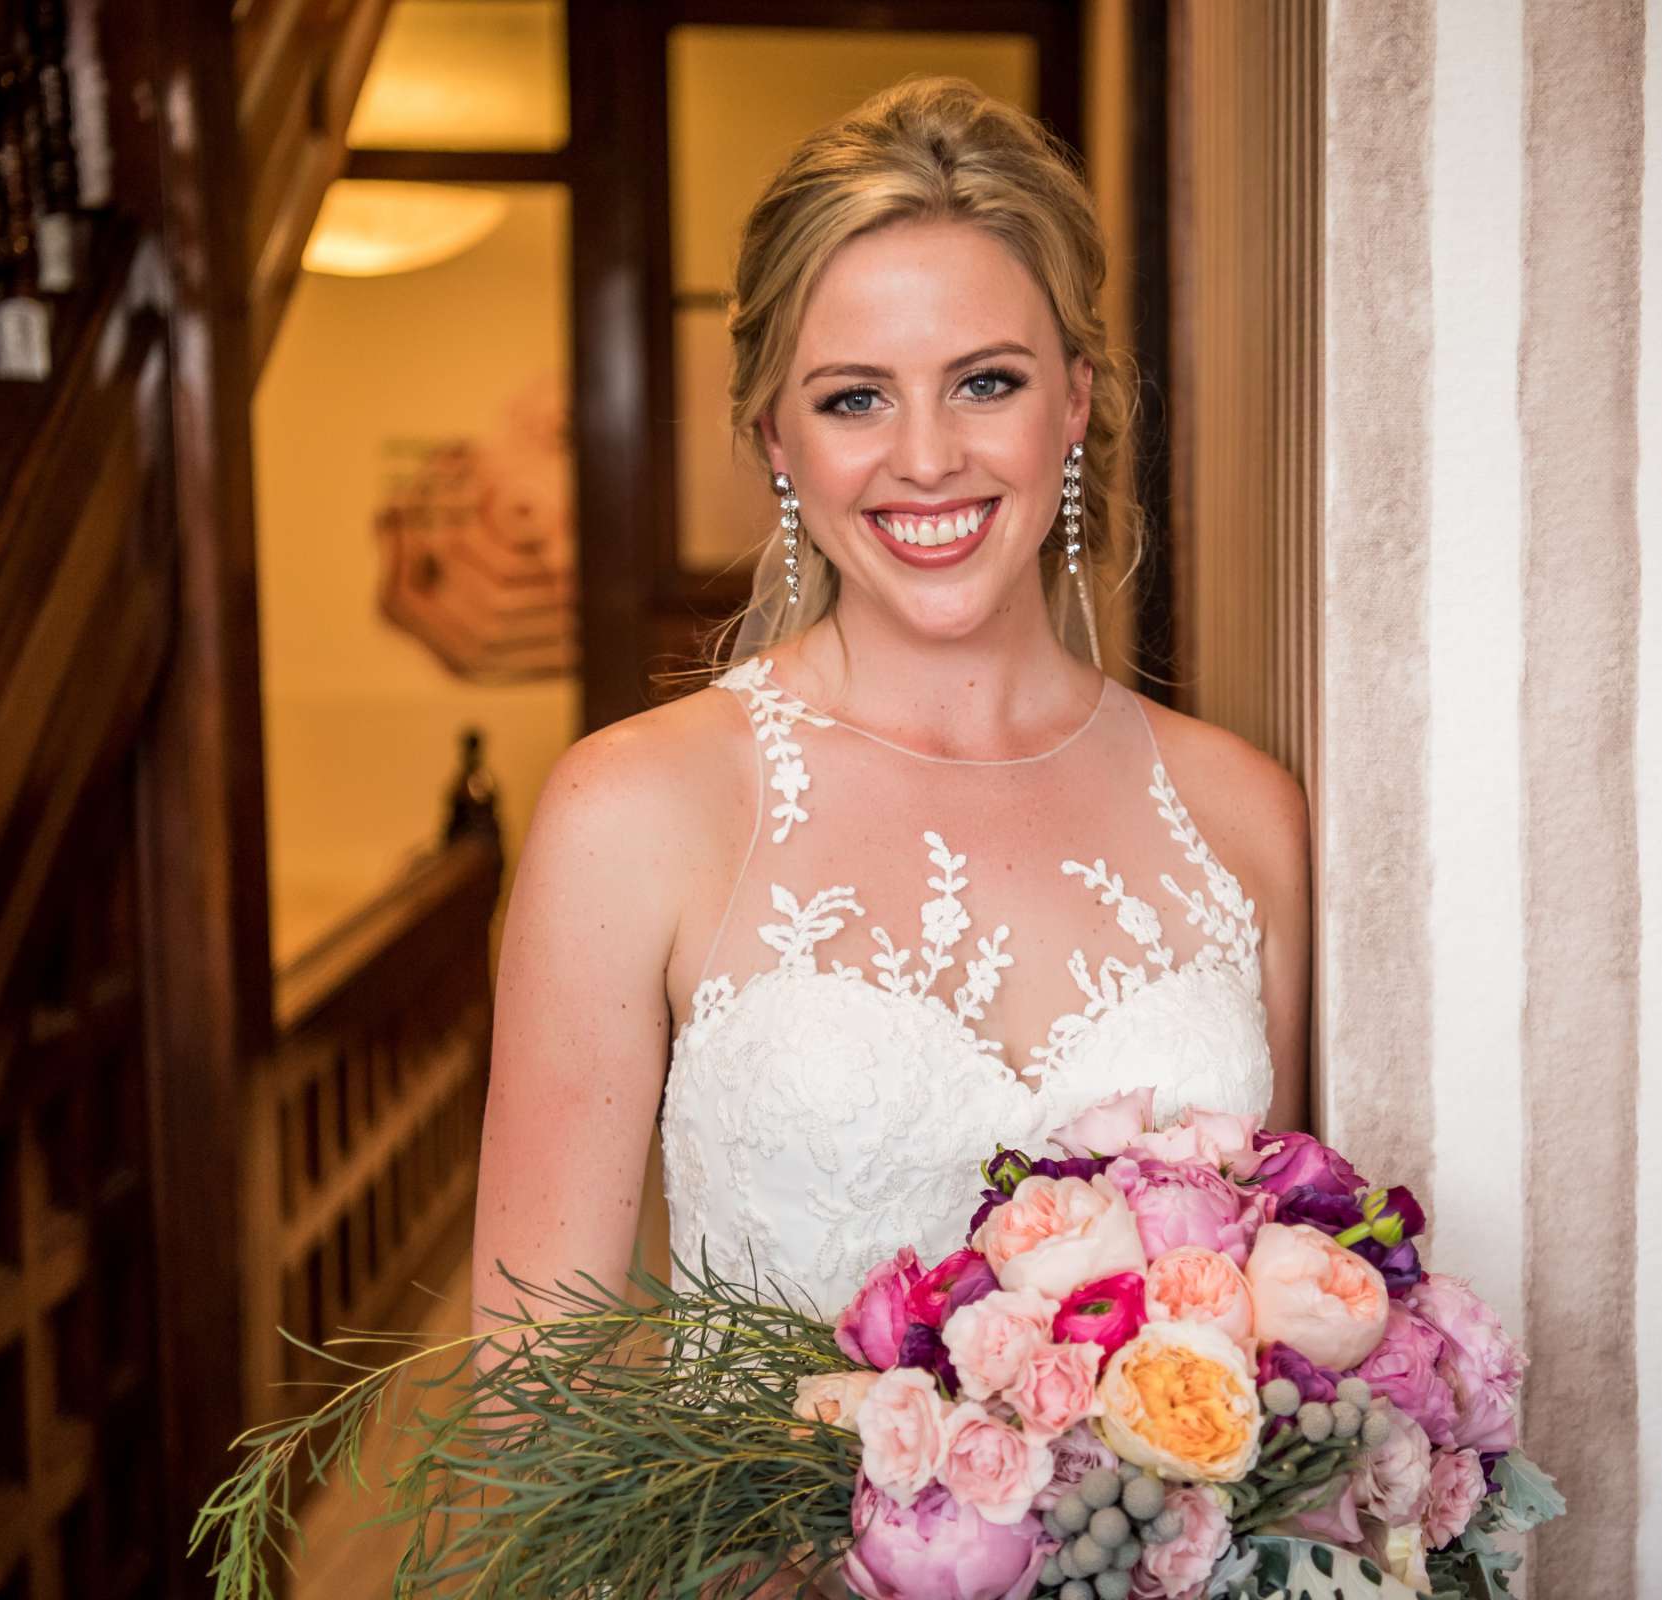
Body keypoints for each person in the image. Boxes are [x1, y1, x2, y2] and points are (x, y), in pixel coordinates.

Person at [469, 76, 1310, 1585]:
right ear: (776, 441)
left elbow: (1289, 1334)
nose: (926, 457)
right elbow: (536, 1428)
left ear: (1080, 398)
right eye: (856, 396)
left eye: (984, 381)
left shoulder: (1244, 817)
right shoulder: (638, 810)